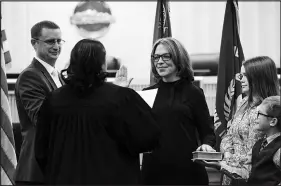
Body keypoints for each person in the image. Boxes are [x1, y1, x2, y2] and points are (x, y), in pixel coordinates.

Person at [34, 39, 161, 184]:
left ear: (72, 63)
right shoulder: (121, 98)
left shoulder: (53, 100)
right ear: (102, 64)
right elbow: (148, 137)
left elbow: (41, 151)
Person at [140, 37, 216, 185]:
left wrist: (207, 145)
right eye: (156, 57)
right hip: (154, 172)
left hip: (186, 171)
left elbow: (207, 133)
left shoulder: (194, 92)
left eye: (165, 56)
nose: (159, 61)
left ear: (178, 58)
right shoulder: (147, 93)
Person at [198, 56, 280, 185]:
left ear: (259, 77)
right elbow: (228, 136)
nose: (240, 80)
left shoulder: (268, 111)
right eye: (240, 75)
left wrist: (225, 160)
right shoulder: (243, 102)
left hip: (248, 176)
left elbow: (254, 153)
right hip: (229, 172)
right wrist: (227, 154)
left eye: (245, 75)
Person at [14, 20, 65, 185]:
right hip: (37, 171)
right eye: (50, 41)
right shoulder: (30, 76)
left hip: (56, 167)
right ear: (34, 43)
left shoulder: (59, 75)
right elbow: (42, 119)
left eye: (59, 41)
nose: (56, 46)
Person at [247, 96, 281, 186]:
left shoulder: (278, 149)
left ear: (273, 121)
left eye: (259, 113)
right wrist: (220, 166)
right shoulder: (259, 144)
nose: (255, 117)